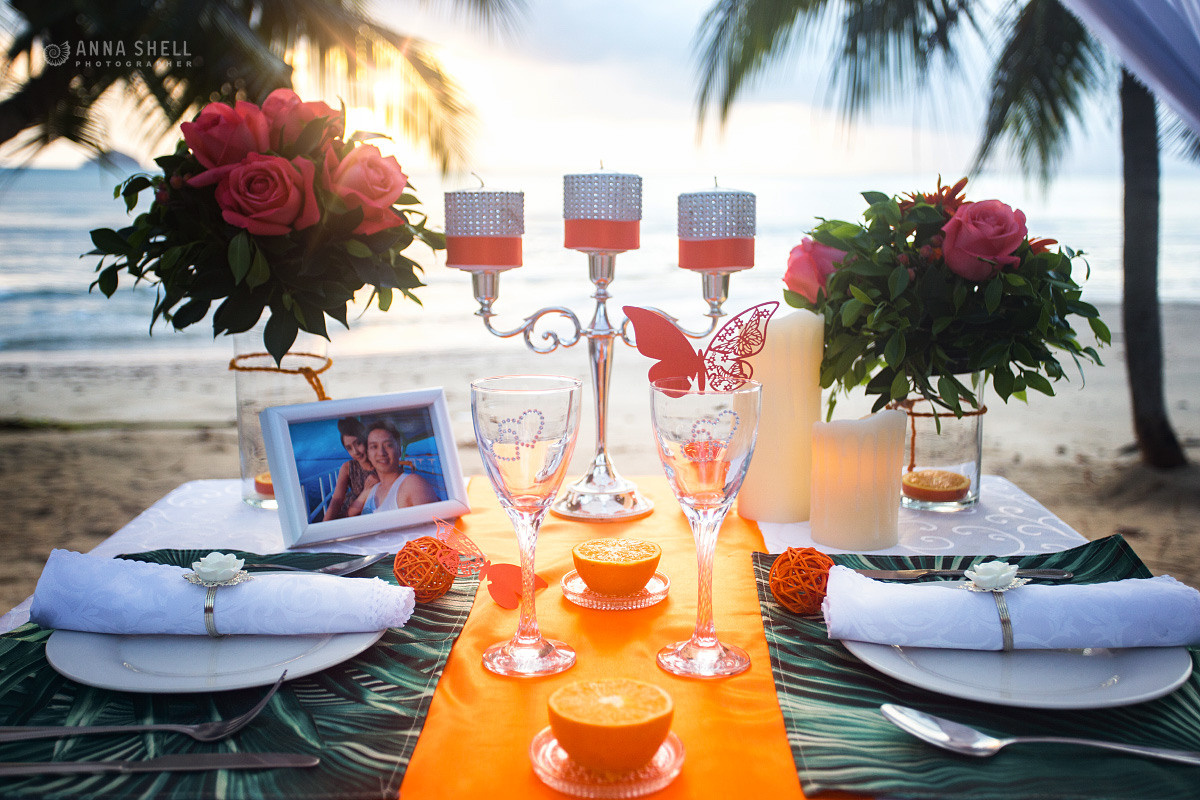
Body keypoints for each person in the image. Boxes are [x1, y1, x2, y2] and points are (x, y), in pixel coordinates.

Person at [349, 420, 438, 515]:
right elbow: (350, 513)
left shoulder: (413, 484)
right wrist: (365, 491)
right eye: (374, 447)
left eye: (388, 445)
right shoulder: (373, 488)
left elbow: (435, 526)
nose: (381, 453)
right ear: (368, 454)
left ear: (399, 450)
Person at [322, 417, 377, 521]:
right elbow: (337, 500)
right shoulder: (348, 467)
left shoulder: (381, 464)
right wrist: (324, 525)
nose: (355, 451)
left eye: (358, 443)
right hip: (351, 514)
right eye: (349, 448)